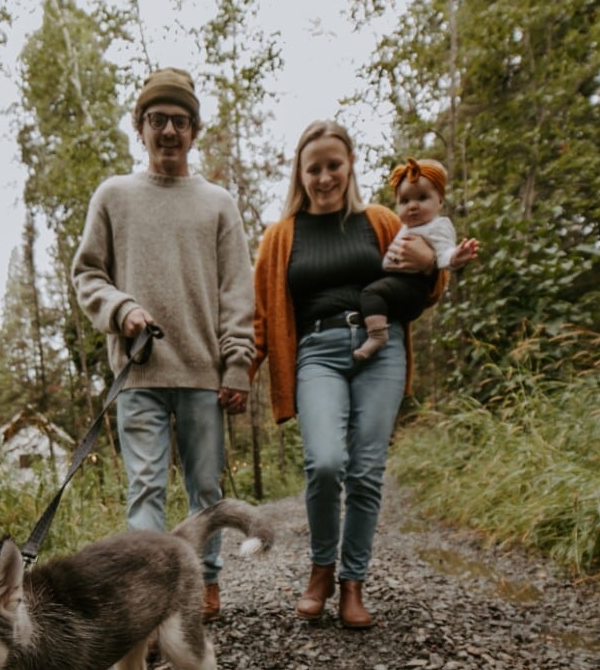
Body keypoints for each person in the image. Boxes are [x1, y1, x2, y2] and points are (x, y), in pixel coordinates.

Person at [252, 121, 475, 628]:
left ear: (349, 166)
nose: (325, 177)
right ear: (300, 173)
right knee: (326, 463)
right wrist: (240, 371)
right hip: (317, 351)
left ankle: (353, 584)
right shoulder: (281, 236)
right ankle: (321, 571)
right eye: (315, 168)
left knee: (366, 470)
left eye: (334, 165)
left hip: (382, 348)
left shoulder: (379, 219)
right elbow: (261, 316)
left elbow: (428, 281)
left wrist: (432, 264)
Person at [72, 67, 253, 622]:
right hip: (140, 376)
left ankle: (205, 584)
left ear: (195, 130)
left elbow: (236, 290)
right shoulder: (114, 195)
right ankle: (148, 600)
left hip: (204, 373)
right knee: (144, 490)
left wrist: (238, 362)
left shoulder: (218, 202)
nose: (168, 131)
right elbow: (87, 275)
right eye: (157, 120)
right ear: (140, 126)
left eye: (179, 121)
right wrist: (120, 310)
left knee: (206, 489)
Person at [352, 157, 480, 360]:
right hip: (397, 283)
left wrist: (456, 256)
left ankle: (377, 336)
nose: (412, 206)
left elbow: (443, 253)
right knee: (371, 291)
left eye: (422, 198)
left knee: (371, 293)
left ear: (439, 201)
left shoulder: (438, 226)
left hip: (414, 286)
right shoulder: (404, 227)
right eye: (404, 201)